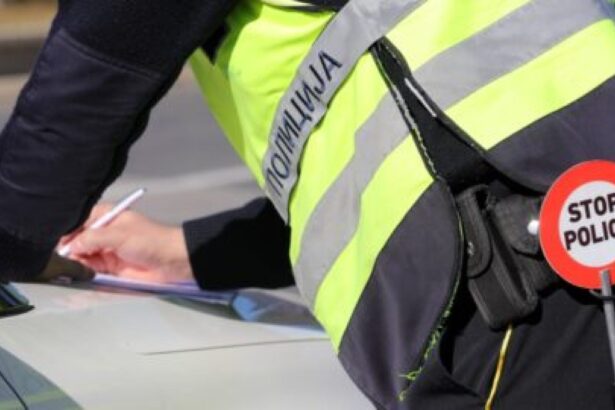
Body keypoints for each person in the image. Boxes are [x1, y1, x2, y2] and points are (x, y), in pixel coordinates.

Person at [2, 1, 615, 409]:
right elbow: (402, 157)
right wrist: (186, 251)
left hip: (531, 290)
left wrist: (14, 240)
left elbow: (73, 111)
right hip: (541, 260)